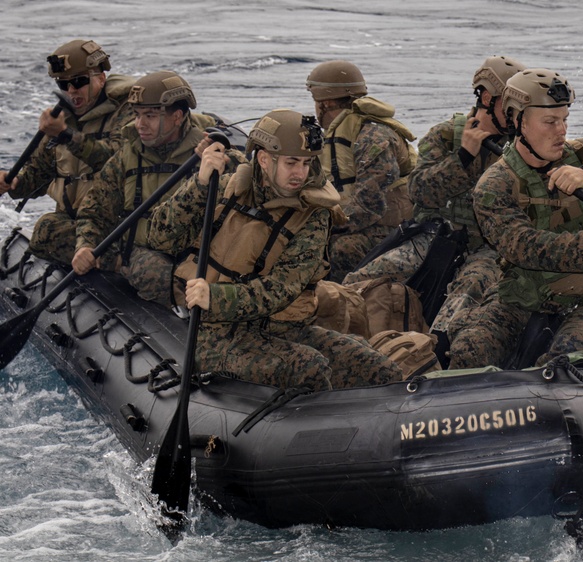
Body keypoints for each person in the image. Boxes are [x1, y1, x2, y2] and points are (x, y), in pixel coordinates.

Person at [145, 109, 402, 391]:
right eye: (292, 163)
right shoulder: (225, 189)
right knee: (309, 368)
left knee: (382, 371)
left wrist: (215, 296)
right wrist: (200, 183)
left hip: (282, 327)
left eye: (306, 164)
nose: (300, 173)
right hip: (214, 333)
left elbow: (281, 289)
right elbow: (160, 237)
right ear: (265, 160)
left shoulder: (314, 215)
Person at [446, 68, 583, 369]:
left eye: (564, 120)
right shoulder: (494, 184)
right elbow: (526, 247)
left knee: (568, 364)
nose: (561, 131)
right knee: (469, 354)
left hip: (580, 305)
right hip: (516, 302)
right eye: (550, 122)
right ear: (518, 121)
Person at [344, 56, 526, 344]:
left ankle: (434, 354)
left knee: (469, 290)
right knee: (359, 281)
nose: (518, 115)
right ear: (489, 98)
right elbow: (420, 191)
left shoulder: (524, 149)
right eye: (511, 106)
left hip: (488, 250)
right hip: (433, 237)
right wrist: (464, 157)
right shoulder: (445, 136)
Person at [71, 70, 244, 305]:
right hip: (141, 250)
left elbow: (246, 175)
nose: (140, 124)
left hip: (196, 253)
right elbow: (95, 211)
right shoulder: (127, 156)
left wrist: (223, 158)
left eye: (150, 116)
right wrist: (85, 246)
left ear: (177, 117)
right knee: (152, 270)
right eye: (137, 115)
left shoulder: (208, 150)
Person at [0, 39, 134, 264]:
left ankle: (123, 264)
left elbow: (117, 160)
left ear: (101, 78)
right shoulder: (61, 119)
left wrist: (66, 135)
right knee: (46, 230)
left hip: (116, 223)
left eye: (79, 81)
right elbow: (38, 174)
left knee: (47, 230)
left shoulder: (129, 111)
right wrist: (12, 183)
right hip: (73, 222)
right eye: (64, 85)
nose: (72, 91)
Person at [306, 60, 418, 282]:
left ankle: (343, 304)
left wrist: (322, 225)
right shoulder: (335, 134)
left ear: (325, 103)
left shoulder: (373, 137)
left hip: (391, 228)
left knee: (339, 249)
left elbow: (370, 206)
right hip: (358, 220)